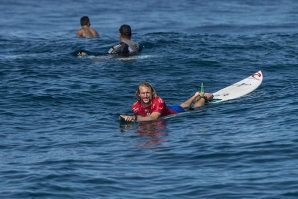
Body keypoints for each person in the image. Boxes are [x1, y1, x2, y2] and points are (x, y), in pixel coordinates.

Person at [120, 82, 214, 122]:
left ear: (152, 93)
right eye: (143, 93)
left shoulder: (158, 100)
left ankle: (203, 97)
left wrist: (134, 118)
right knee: (182, 105)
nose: (145, 95)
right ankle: (194, 96)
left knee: (195, 108)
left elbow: (153, 117)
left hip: (176, 112)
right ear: (139, 94)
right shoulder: (135, 106)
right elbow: (142, 116)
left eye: (148, 93)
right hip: (168, 109)